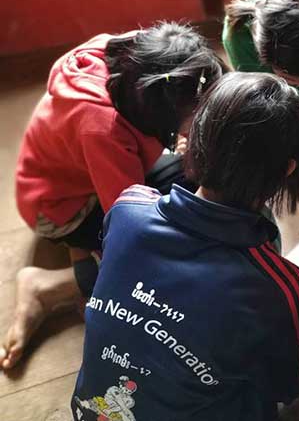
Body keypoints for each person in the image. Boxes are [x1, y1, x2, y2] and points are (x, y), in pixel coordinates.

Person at [72, 72, 299, 420]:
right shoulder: (273, 286)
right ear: (288, 169)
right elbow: (285, 385)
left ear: (194, 138)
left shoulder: (128, 209)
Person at [3, 23, 224, 370]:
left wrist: (180, 137)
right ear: (160, 113)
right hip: (61, 207)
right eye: (194, 117)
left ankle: (81, 252)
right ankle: (48, 286)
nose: (199, 123)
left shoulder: (127, 54)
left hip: (71, 174)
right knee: (169, 239)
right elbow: (131, 226)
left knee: (188, 178)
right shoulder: (103, 128)